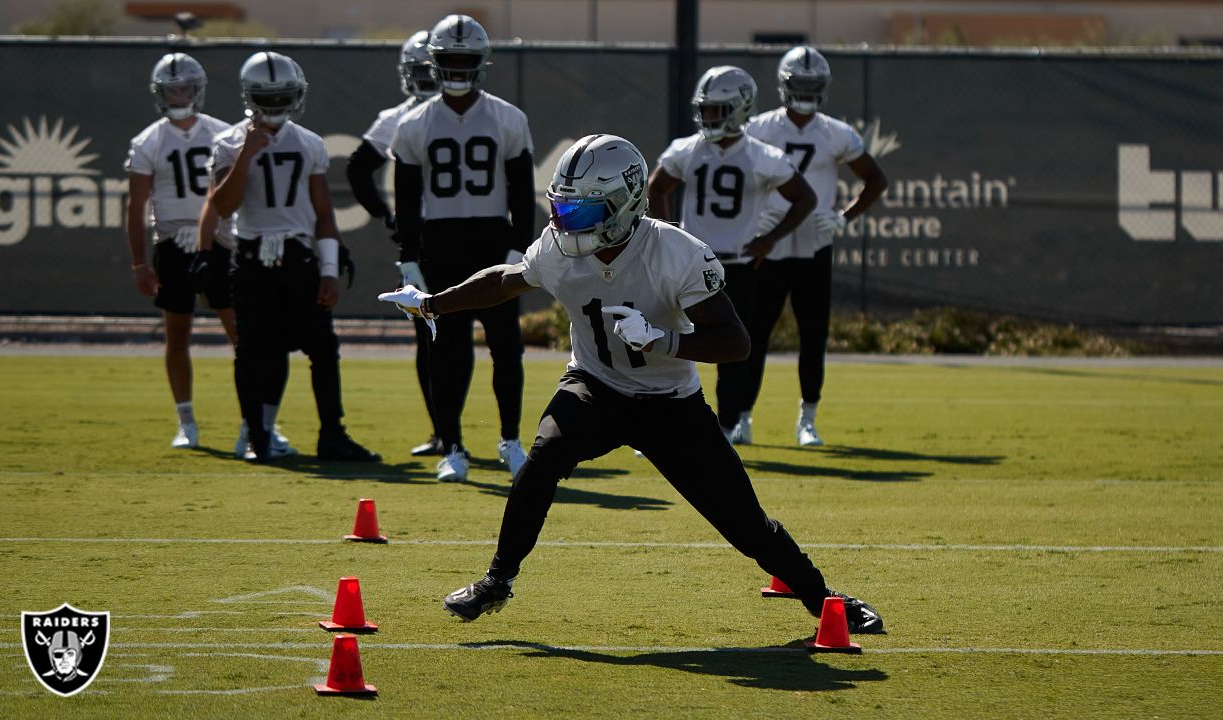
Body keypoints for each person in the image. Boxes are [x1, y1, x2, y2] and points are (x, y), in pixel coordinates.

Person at [380, 134, 883, 634]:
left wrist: (663, 340)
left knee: (744, 524)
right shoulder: (558, 247)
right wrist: (432, 303)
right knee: (541, 461)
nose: (563, 223)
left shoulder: (675, 251)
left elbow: (736, 342)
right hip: (594, 386)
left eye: (580, 212)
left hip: (670, 403)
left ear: (623, 204)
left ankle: (826, 601)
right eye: (561, 209)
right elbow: (507, 279)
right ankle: (496, 580)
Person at [210, 51, 379, 463]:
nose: (276, 104)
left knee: (322, 348)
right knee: (253, 351)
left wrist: (328, 269)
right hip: (251, 257)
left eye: (284, 95)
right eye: (269, 97)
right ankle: (257, 435)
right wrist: (247, 153)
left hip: (297, 256)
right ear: (250, 97)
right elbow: (222, 206)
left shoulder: (308, 143)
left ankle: (332, 435)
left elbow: (323, 213)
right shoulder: (228, 143)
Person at [391, 14, 535, 482]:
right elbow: (408, 199)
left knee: (506, 347)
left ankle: (511, 440)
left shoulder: (508, 118)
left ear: (481, 63)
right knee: (445, 349)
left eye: (464, 59)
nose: (456, 67)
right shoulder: (414, 124)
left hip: (492, 240)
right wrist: (408, 257)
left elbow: (521, 191)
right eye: (448, 59)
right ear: (434, 63)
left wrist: (518, 249)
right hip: (442, 242)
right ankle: (452, 446)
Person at [647, 65, 816, 446]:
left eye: (716, 110)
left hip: (737, 266)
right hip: (690, 261)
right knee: (663, 341)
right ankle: (653, 426)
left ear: (740, 109)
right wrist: (669, 232)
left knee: (732, 349)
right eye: (704, 110)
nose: (707, 117)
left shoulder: (762, 155)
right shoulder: (688, 149)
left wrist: (770, 238)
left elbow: (805, 198)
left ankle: (725, 428)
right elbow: (656, 188)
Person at [744, 46, 888, 446]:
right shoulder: (759, 127)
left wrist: (844, 216)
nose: (806, 92)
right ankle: (742, 415)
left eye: (812, 85)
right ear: (784, 85)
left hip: (813, 245)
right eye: (800, 84)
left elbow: (875, 179)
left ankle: (807, 419)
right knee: (754, 333)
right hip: (768, 244)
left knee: (813, 335)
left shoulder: (835, 132)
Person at [124, 52, 238, 450]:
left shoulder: (224, 133)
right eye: (171, 88)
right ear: (160, 93)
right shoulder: (148, 140)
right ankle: (186, 419)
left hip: (220, 241)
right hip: (172, 243)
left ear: (197, 89)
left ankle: (253, 421)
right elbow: (135, 205)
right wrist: (140, 262)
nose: (178, 94)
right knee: (177, 332)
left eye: (184, 87)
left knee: (239, 330)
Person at [346, 30, 446, 458]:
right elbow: (357, 168)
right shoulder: (398, 118)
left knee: (475, 335)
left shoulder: (475, 114)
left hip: (458, 232)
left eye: (433, 68)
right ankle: (446, 431)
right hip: (426, 236)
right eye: (420, 70)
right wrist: (389, 216)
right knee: (431, 335)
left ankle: (499, 435)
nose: (427, 77)